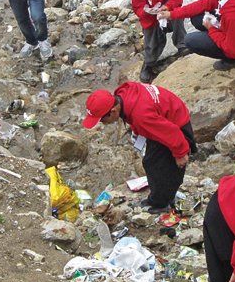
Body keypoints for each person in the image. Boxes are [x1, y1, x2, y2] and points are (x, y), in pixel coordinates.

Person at [82, 83, 197, 214]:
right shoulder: (124, 93)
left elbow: (171, 131)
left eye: (102, 120)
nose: (103, 123)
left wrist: (180, 153)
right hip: (166, 115)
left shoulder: (141, 115)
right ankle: (160, 197)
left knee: (160, 166)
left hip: (176, 125)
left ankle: (161, 203)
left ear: (113, 112)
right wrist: (137, 130)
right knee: (150, 161)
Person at [131, 0, 187, 83]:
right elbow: (137, 7)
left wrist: (167, 7)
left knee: (178, 13)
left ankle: (182, 46)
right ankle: (149, 64)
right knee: (152, 43)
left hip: (166, 13)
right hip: (151, 19)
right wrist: (146, 11)